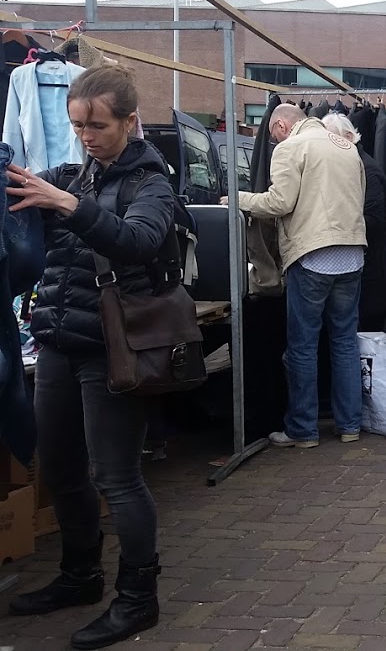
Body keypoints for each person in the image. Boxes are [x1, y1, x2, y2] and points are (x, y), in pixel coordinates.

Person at [4, 65, 178, 648]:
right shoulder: (73, 173)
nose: (86, 136)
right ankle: (80, 576)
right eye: (78, 125)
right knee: (57, 468)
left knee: (117, 478)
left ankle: (139, 599)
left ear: (130, 121)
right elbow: (16, 189)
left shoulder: (150, 182)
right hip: (58, 341)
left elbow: (138, 241)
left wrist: (67, 205)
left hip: (113, 351)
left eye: (97, 126)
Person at [226, 103, 367, 449]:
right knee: (345, 342)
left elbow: (279, 203)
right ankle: (350, 424)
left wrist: (237, 199)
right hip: (352, 254)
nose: (274, 142)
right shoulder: (347, 147)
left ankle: (303, 429)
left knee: (303, 346)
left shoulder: (290, 148)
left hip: (312, 254)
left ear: (280, 126)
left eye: (273, 135)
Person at [322, 113, 386, 332]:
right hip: (358, 269)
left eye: (330, 140)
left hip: (370, 274)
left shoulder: (367, 170)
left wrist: (331, 226)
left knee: (362, 336)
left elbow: (373, 221)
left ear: (348, 137)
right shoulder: (348, 166)